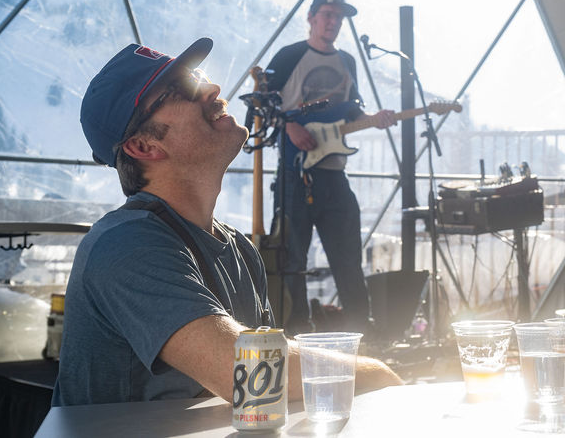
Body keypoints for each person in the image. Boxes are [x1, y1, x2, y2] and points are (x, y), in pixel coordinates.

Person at [53, 38, 401, 406]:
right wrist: (378, 374)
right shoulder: (125, 245)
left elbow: (266, 376)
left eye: (198, 76)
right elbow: (250, 374)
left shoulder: (237, 248)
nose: (212, 88)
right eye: (182, 88)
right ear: (144, 147)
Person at [264, 0, 395, 334]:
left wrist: (372, 118)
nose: (333, 22)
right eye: (326, 14)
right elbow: (261, 107)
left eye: (338, 16)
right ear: (311, 18)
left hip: (334, 174)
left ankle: (360, 335)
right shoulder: (290, 55)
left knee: (348, 259)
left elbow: (351, 108)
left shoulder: (348, 62)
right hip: (295, 175)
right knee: (293, 260)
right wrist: (289, 125)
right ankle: (296, 333)